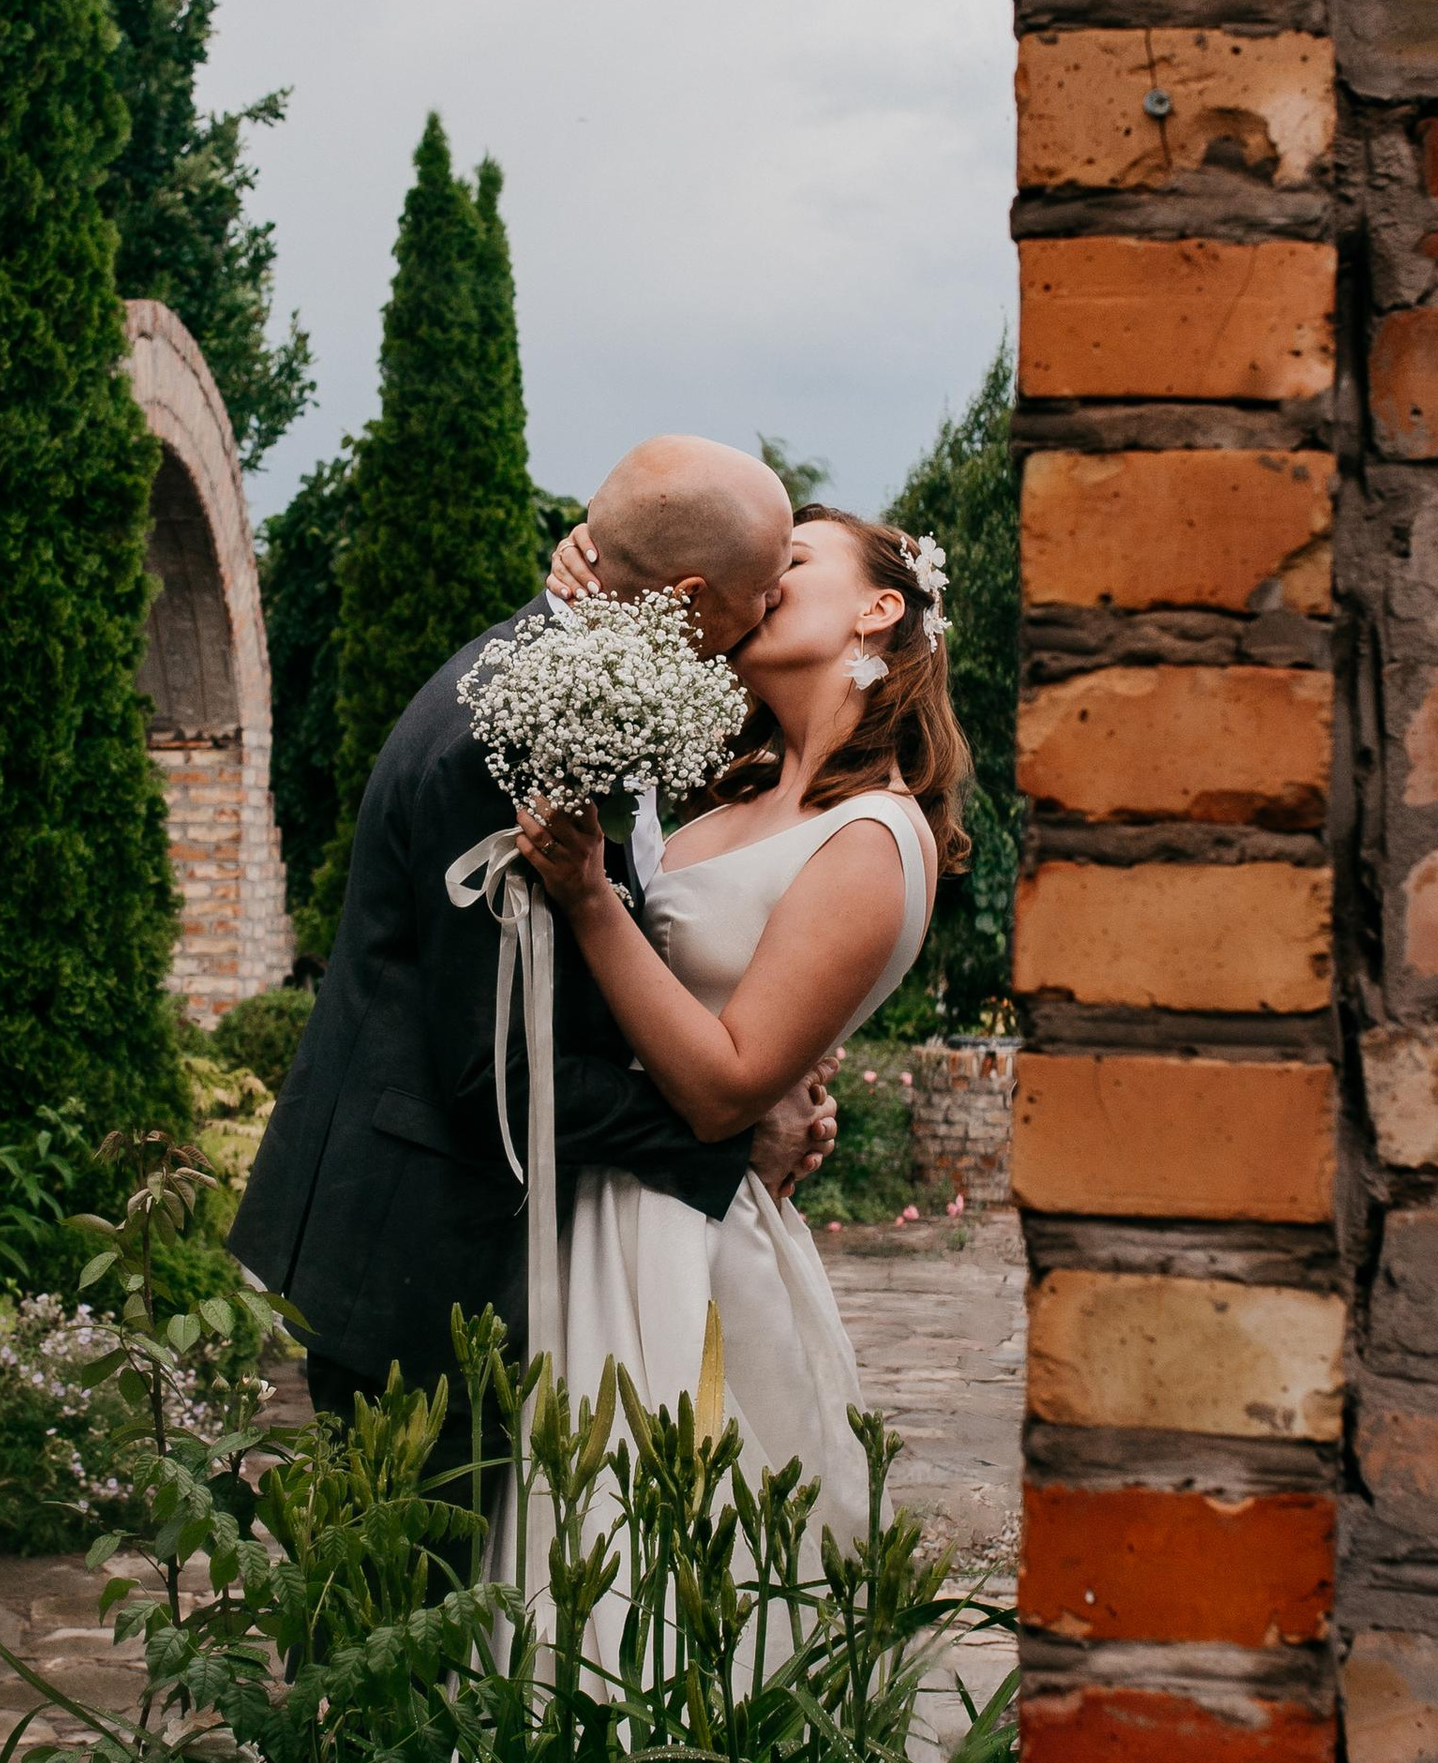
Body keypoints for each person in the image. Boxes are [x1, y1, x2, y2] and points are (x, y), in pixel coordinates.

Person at [232, 438, 833, 1482]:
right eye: (763, 587)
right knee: (408, 1611)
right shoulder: (505, 738)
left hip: (455, 1240)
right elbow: (498, 1076)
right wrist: (730, 1139)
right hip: (421, 1254)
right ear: (690, 597)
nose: (774, 604)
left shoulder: (587, 683)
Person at [511, 502, 966, 1583]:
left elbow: (723, 1092)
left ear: (878, 609)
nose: (760, 584)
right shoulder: (736, 787)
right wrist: (594, 583)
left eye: (791, 564)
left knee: (658, 1576)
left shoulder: (873, 837)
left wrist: (588, 899)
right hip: (601, 1201)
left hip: (688, 1236)